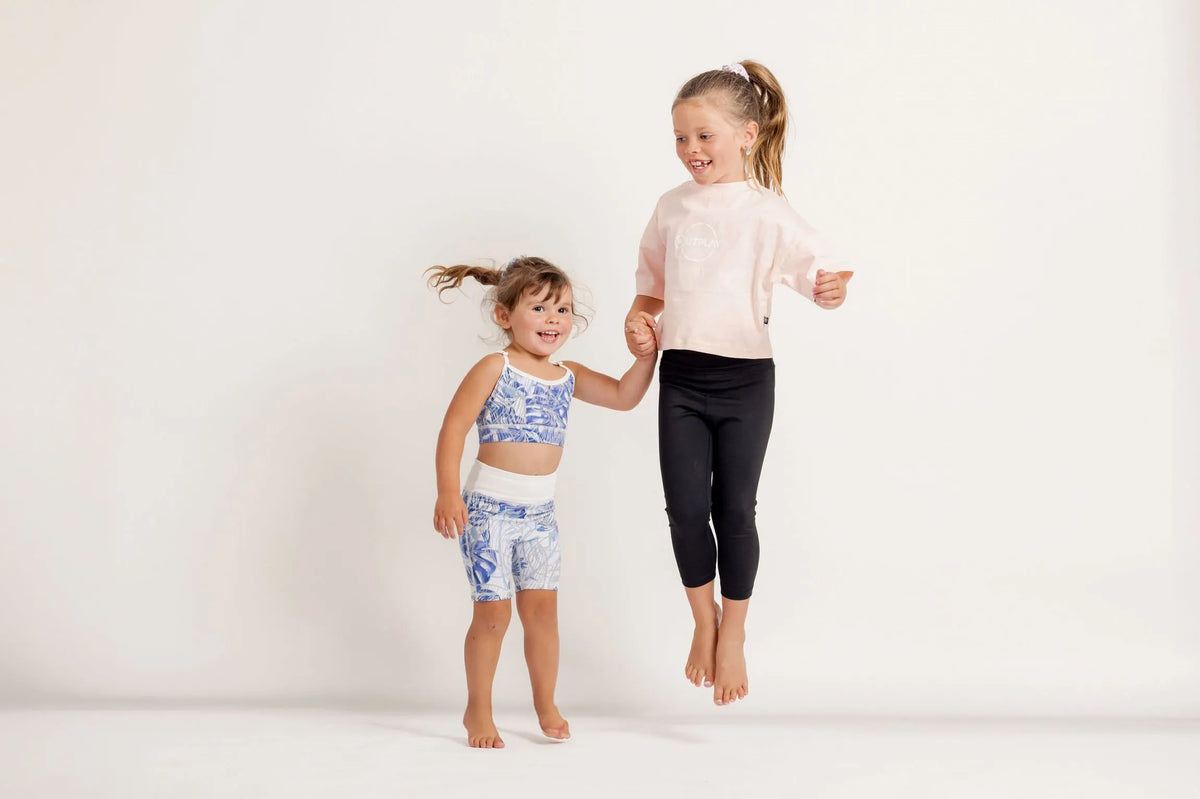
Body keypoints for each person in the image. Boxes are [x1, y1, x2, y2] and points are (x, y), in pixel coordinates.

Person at [624, 60, 855, 707]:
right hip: (682, 377)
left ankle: (736, 632)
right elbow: (647, 295)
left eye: (704, 136)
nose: (690, 150)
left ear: (747, 134)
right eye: (680, 138)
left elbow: (824, 274)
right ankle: (704, 622)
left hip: (745, 379)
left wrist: (831, 290)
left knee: (735, 510)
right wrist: (639, 328)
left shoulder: (768, 213)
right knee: (684, 510)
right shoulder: (670, 208)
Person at [429, 256, 656, 748]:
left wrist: (645, 359)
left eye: (564, 310)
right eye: (540, 308)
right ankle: (478, 710)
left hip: (539, 516)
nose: (554, 319)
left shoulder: (567, 374)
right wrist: (448, 491)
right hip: (487, 511)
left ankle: (545, 703)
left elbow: (622, 397)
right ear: (504, 315)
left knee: (543, 615)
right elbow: (453, 427)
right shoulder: (496, 366)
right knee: (493, 616)